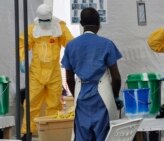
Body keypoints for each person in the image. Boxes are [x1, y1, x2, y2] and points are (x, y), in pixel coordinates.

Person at [61, 7, 123, 141]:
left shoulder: (71, 46)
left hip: (81, 97)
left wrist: (76, 94)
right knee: (105, 136)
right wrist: (115, 96)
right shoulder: (107, 44)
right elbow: (116, 77)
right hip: (102, 97)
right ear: (99, 24)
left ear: (81, 24)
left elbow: (69, 79)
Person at [19, 3, 73, 141]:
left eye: (46, 21)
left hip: (54, 73)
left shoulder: (60, 27)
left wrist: (73, 59)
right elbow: (22, 44)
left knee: (54, 104)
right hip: (36, 73)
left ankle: (52, 134)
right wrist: (22, 59)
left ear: (50, 18)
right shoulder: (32, 29)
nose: (44, 23)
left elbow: (71, 44)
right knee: (31, 103)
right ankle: (27, 132)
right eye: (41, 21)